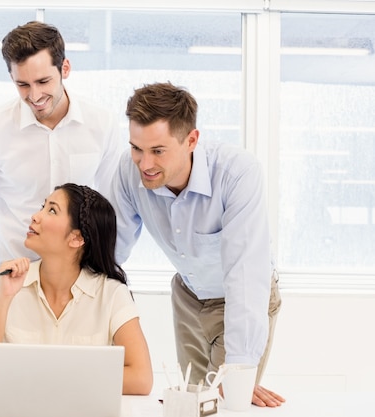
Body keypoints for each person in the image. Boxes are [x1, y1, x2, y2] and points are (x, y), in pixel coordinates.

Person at [111, 82, 285, 407]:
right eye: (137, 147)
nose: (144, 163)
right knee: (186, 404)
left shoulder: (236, 173)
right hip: (188, 297)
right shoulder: (127, 169)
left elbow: (245, 276)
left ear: (191, 140)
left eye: (158, 151)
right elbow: (111, 254)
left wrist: (239, 371)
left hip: (239, 298)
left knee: (225, 403)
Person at [0, 21, 122, 277]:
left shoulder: (102, 124)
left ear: (65, 68)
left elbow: (113, 209)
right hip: (11, 276)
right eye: (23, 84)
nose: (34, 95)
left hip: (78, 276)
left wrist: (104, 270)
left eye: (43, 81)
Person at [0, 183, 153, 395]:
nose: (35, 216)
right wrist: (3, 299)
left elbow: (141, 379)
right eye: (43, 206)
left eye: (51, 210)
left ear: (76, 238)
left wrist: (49, 379)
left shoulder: (111, 294)